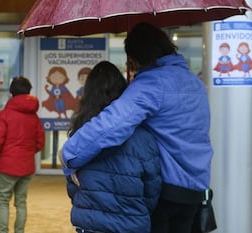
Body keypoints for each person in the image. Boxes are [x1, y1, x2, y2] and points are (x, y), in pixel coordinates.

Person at [61, 22, 214, 233]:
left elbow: (111, 125)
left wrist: (69, 153)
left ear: (135, 58)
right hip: (196, 189)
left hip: (168, 190)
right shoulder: (193, 82)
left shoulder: (153, 83)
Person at [61, 61, 162, 233]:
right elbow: (152, 190)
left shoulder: (79, 135)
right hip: (132, 226)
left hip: (90, 226)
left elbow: (73, 188)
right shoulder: (143, 136)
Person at [0, 76, 45, 233]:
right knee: (21, 202)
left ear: (11, 93)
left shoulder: (5, 114)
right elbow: (40, 142)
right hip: (26, 165)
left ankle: (3, 231)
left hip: (8, 166)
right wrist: (27, 153)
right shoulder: (34, 116)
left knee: (3, 200)